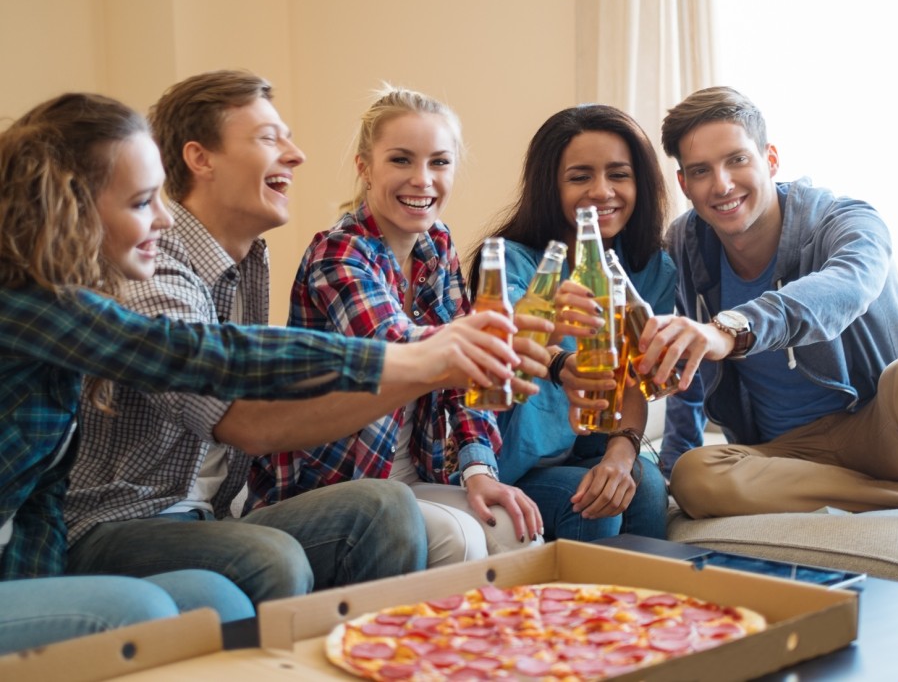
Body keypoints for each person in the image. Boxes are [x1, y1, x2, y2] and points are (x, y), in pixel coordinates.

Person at [0, 91, 516, 653]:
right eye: (142, 201)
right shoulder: (31, 307)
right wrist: (412, 358)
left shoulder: (225, 268)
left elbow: (40, 500)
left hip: (182, 518)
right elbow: (207, 357)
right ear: (75, 209)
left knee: (220, 598)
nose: (163, 217)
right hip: (119, 523)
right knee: (157, 603)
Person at [639, 85, 898, 583]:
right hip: (790, 452)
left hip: (880, 428)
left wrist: (732, 329)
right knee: (695, 475)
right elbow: (686, 367)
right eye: (700, 171)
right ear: (684, 183)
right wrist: (673, 462)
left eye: (736, 160)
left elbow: (848, 285)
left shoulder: (845, 220)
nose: (722, 184)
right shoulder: (686, 243)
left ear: (770, 159)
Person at [247, 85, 548, 566]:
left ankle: (489, 642)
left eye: (440, 162)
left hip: (408, 473)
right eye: (402, 160)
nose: (423, 180)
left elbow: (464, 387)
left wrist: (479, 472)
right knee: (461, 541)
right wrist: (487, 339)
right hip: (332, 486)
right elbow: (395, 350)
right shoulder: (338, 254)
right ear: (365, 167)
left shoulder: (438, 246)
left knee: (519, 533)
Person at [468, 104, 699, 542]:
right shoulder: (510, 260)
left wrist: (620, 451)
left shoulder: (651, 268)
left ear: (641, 184)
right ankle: (584, 611)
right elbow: (517, 341)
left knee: (646, 487)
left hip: (580, 443)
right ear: (550, 187)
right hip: (506, 460)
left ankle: (649, 610)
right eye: (579, 177)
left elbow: (633, 377)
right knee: (589, 502)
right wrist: (556, 345)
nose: (602, 191)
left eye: (618, 174)